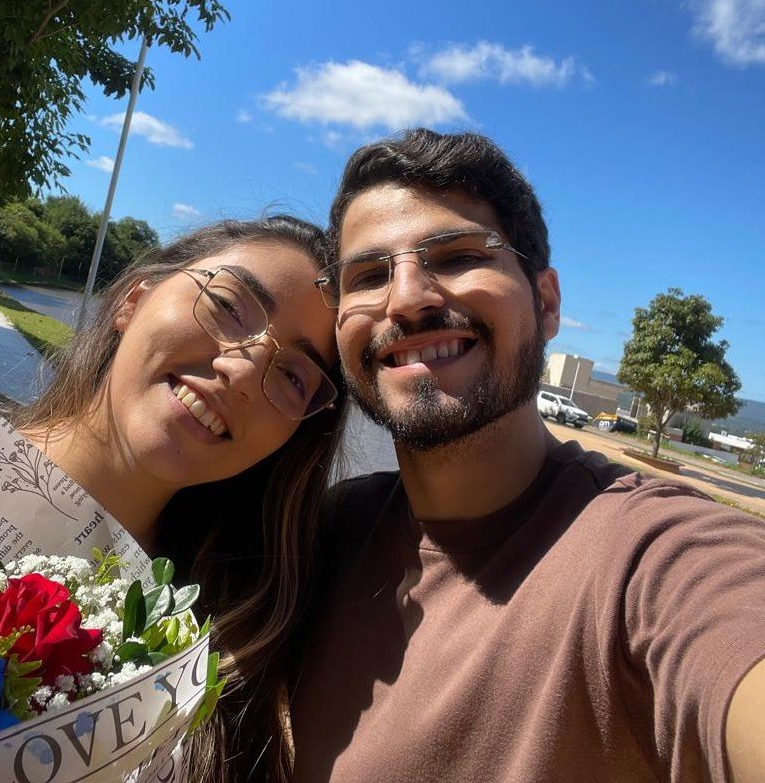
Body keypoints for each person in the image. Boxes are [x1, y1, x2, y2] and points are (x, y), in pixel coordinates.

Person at [289, 129, 765, 783]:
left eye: (458, 256)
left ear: (545, 304)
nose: (405, 298)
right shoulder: (323, 532)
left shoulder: (653, 559)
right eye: (369, 276)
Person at [15, 215, 348, 783]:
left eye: (294, 377)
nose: (243, 371)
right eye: (228, 305)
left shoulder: (229, 653)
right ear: (133, 301)